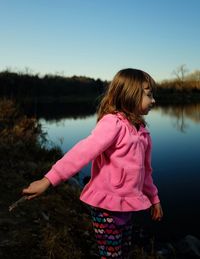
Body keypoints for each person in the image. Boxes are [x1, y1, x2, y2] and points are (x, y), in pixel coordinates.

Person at [22, 68, 163, 259]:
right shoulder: (112, 124)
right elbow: (81, 153)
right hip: (106, 206)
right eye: (148, 94)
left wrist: (154, 199)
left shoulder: (143, 132)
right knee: (110, 255)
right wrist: (48, 180)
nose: (153, 100)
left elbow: (145, 172)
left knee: (124, 253)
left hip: (127, 206)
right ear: (130, 95)